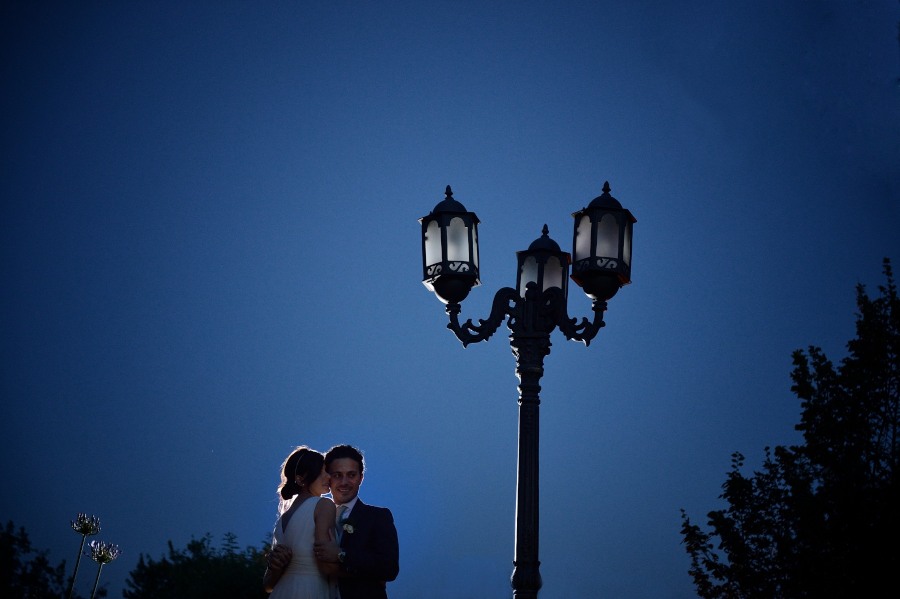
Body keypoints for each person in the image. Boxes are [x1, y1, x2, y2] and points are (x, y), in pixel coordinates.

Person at [314, 444, 399, 599]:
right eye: (337, 475)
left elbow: (389, 568)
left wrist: (342, 554)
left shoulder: (378, 517)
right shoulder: (313, 516)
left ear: (361, 477)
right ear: (328, 478)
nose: (344, 482)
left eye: (351, 475)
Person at [264, 446, 339, 598]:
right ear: (301, 478)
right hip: (309, 590)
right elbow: (326, 565)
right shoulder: (324, 505)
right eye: (321, 472)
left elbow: (268, 586)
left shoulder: (283, 519)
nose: (328, 477)